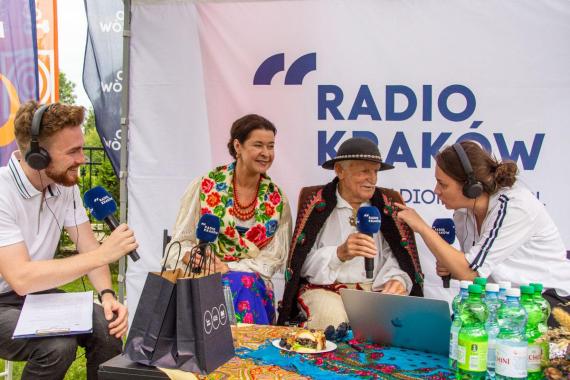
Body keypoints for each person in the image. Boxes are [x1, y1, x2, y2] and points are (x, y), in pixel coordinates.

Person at [0, 101, 138, 379]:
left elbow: (88, 246)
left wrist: (107, 296)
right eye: (73, 151)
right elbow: (21, 278)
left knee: (107, 325)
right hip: (3, 301)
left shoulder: (63, 184)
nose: (82, 159)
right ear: (37, 155)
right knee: (57, 345)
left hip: (35, 296)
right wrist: (103, 255)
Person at [395, 140, 570, 325]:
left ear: (471, 187)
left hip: (548, 301)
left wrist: (422, 228)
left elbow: (471, 272)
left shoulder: (513, 206)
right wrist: (452, 267)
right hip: (506, 303)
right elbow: (476, 269)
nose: (436, 191)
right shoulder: (463, 213)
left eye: (442, 184)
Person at [278, 137, 424, 329]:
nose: (372, 179)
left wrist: (397, 279)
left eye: (375, 172)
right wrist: (339, 254)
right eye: (364, 171)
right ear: (340, 171)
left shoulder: (387, 205)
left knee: (398, 325)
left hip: (374, 291)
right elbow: (301, 265)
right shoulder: (316, 204)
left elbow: (396, 256)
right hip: (324, 290)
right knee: (332, 320)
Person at [163, 114, 291, 324]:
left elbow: (273, 258)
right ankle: (246, 352)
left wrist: (229, 269)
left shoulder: (277, 199)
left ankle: (242, 352)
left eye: (271, 146)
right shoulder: (205, 186)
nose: (266, 153)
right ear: (237, 146)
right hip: (201, 276)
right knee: (233, 283)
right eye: (258, 145)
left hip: (252, 282)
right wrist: (189, 256)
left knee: (243, 282)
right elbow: (179, 243)